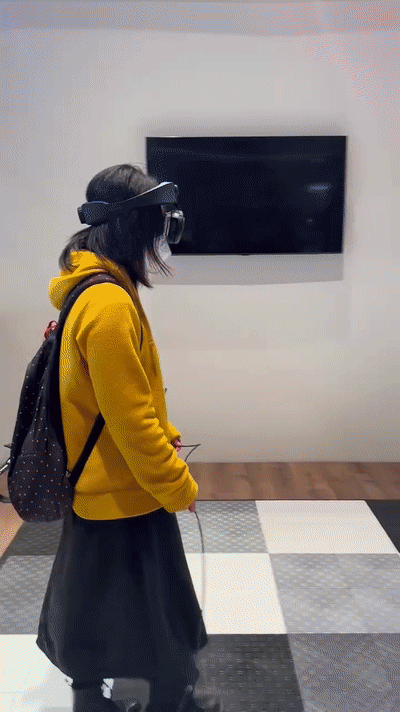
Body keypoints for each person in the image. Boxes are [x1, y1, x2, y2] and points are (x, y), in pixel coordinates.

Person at [35, 164, 222, 712]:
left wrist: (167, 440)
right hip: (125, 487)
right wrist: (176, 484)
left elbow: (125, 399)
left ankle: (91, 698)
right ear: (136, 228)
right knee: (159, 612)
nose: (163, 239)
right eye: (160, 225)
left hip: (96, 482)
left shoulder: (89, 290)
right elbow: (131, 419)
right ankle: (170, 700)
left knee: (93, 602)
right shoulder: (110, 304)